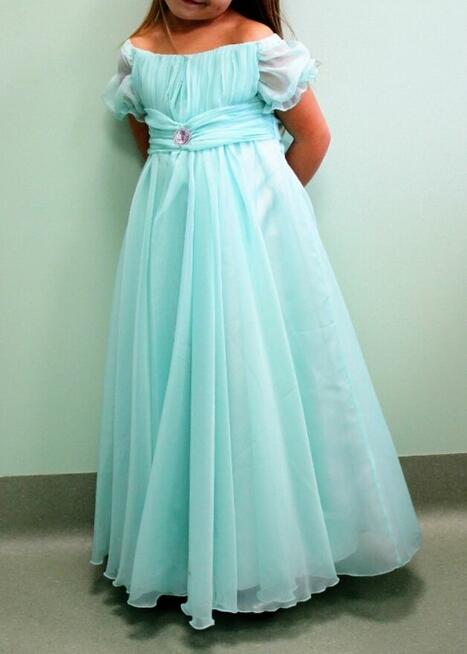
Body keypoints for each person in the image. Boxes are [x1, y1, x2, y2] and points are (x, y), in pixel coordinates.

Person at [90, 0, 422, 631]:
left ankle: (270, 546)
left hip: (253, 237)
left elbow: (313, 137)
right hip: (170, 233)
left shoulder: (257, 44)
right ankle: (184, 550)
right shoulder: (140, 51)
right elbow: (150, 139)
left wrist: (262, 212)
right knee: (177, 369)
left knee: (253, 371)